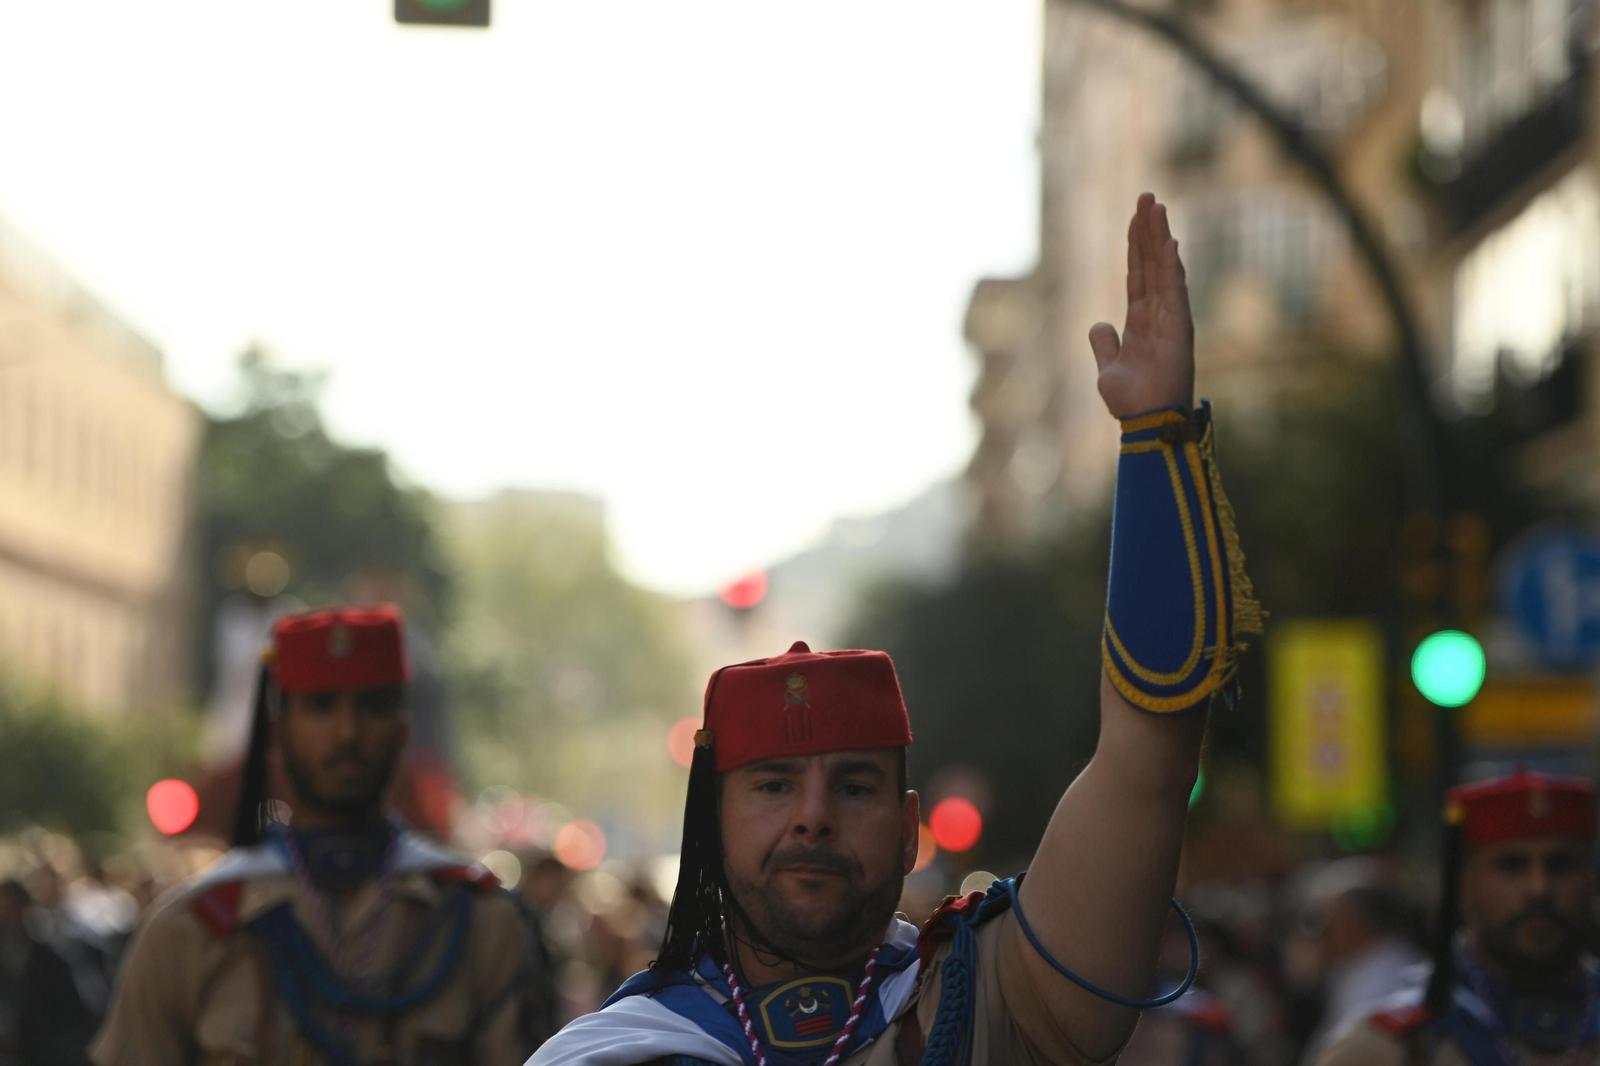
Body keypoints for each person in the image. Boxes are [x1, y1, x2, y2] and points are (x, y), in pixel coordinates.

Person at [529, 192, 1264, 1066]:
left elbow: (1148, 759)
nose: (813, 818)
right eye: (772, 786)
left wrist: (1157, 438)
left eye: (854, 787)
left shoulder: (994, 1001)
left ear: (909, 827)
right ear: (710, 824)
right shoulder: (609, 1053)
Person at [93, 604, 558, 1066]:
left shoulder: (479, 922)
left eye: (371, 707)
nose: (346, 733)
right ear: (278, 730)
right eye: (320, 706)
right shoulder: (191, 928)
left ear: (402, 730)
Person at [1313, 771, 1599, 1066]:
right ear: (1464, 886)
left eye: (1560, 865)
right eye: (1511, 866)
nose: (1538, 889)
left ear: (1591, 881)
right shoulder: (1389, 1049)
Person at [1295, 858, 1425, 1063]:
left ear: (1354, 922)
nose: (1322, 934)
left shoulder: (1391, 974)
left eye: (1329, 922)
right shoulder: (1358, 965)